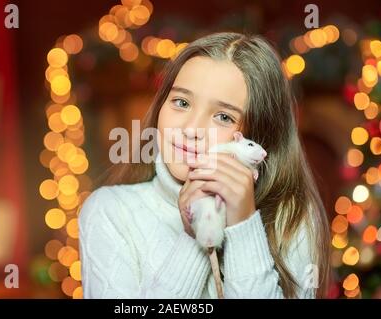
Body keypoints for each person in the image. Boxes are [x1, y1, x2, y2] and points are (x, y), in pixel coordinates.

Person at [78, 32, 331, 299]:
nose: (191, 129)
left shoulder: (292, 218)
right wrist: (198, 232)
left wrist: (243, 225)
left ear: (258, 137)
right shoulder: (109, 213)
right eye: (182, 102)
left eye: (223, 116)